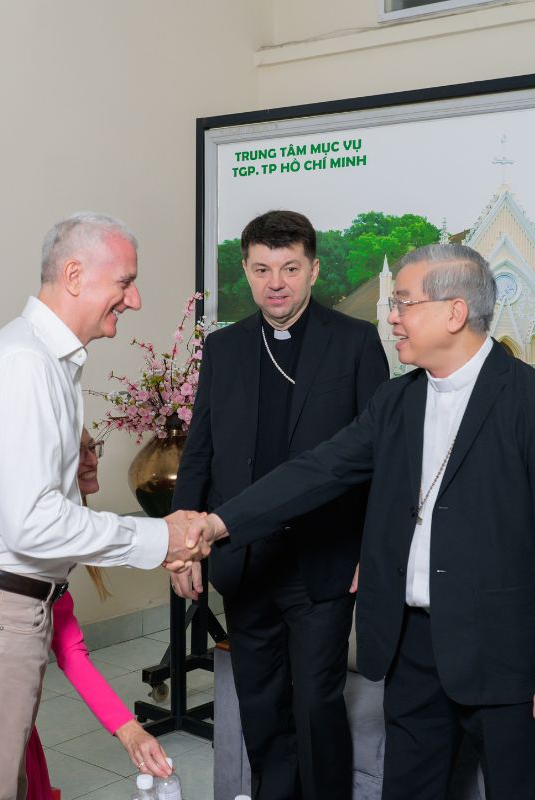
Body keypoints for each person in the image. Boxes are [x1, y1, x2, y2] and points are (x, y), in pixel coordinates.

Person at [190, 242, 535, 800]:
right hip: (411, 645)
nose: (392, 317)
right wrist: (218, 523)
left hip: (503, 652)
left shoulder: (526, 400)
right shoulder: (396, 402)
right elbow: (316, 471)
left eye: (404, 303)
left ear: (454, 312)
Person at [0, 212, 205, 800]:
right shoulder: (25, 364)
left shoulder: (48, 363)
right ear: (75, 275)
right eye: (125, 282)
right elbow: (32, 523)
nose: (134, 299)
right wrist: (160, 537)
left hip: (10, 609)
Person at [172, 210, 389, 800]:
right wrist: (184, 547)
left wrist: (371, 550)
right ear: (245, 270)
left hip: (323, 558)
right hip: (244, 559)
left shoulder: (355, 342)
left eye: (290, 268)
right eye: (262, 269)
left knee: (317, 702)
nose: (276, 283)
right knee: (261, 704)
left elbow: (380, 459)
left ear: (313, 270)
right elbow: (200, 452)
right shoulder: (224, 348)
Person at [0, 427, 172, 796]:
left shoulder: (59, 540)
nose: (91, 459)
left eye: (93, 447)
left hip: (6, 709)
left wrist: (130, 731)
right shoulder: (15, 549)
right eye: (78, 452)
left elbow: (70, 649)